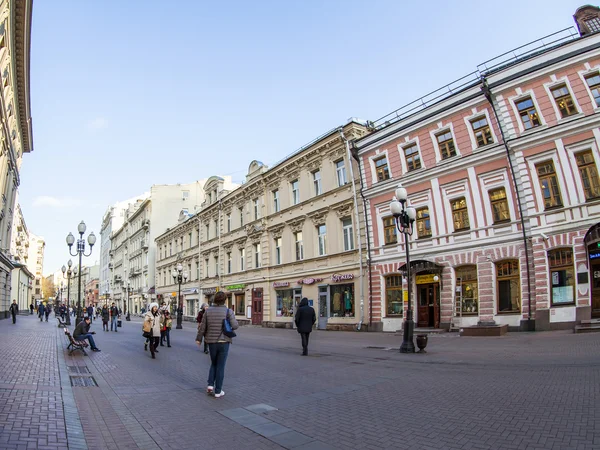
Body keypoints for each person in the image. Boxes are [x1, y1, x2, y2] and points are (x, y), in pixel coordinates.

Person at [197, 291, 239, 398]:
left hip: (211, 342)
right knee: (221, 366)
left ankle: (210, 385)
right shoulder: (228, 311)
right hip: (224, 341)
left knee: (213, 363)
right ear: (224, 300)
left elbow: (203, 326)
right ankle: (218, 391)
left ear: (215, 299)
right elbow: (235, 326)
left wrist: (199, 339)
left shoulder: (208, 311)